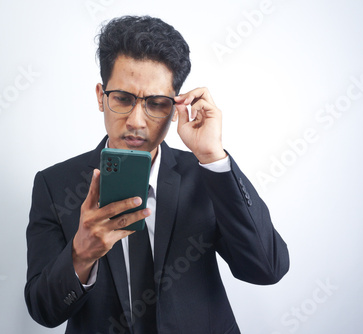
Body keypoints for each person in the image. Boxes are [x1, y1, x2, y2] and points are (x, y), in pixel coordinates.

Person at [25, 15, 289, 334]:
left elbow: (267, 268)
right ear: (100, 96)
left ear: (176, 106)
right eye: (123, 99)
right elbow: (44, 310)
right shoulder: (54, 185)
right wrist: (80, 255)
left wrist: (212, 157)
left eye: (156, 103)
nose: (137, 121)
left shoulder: (206, 174)